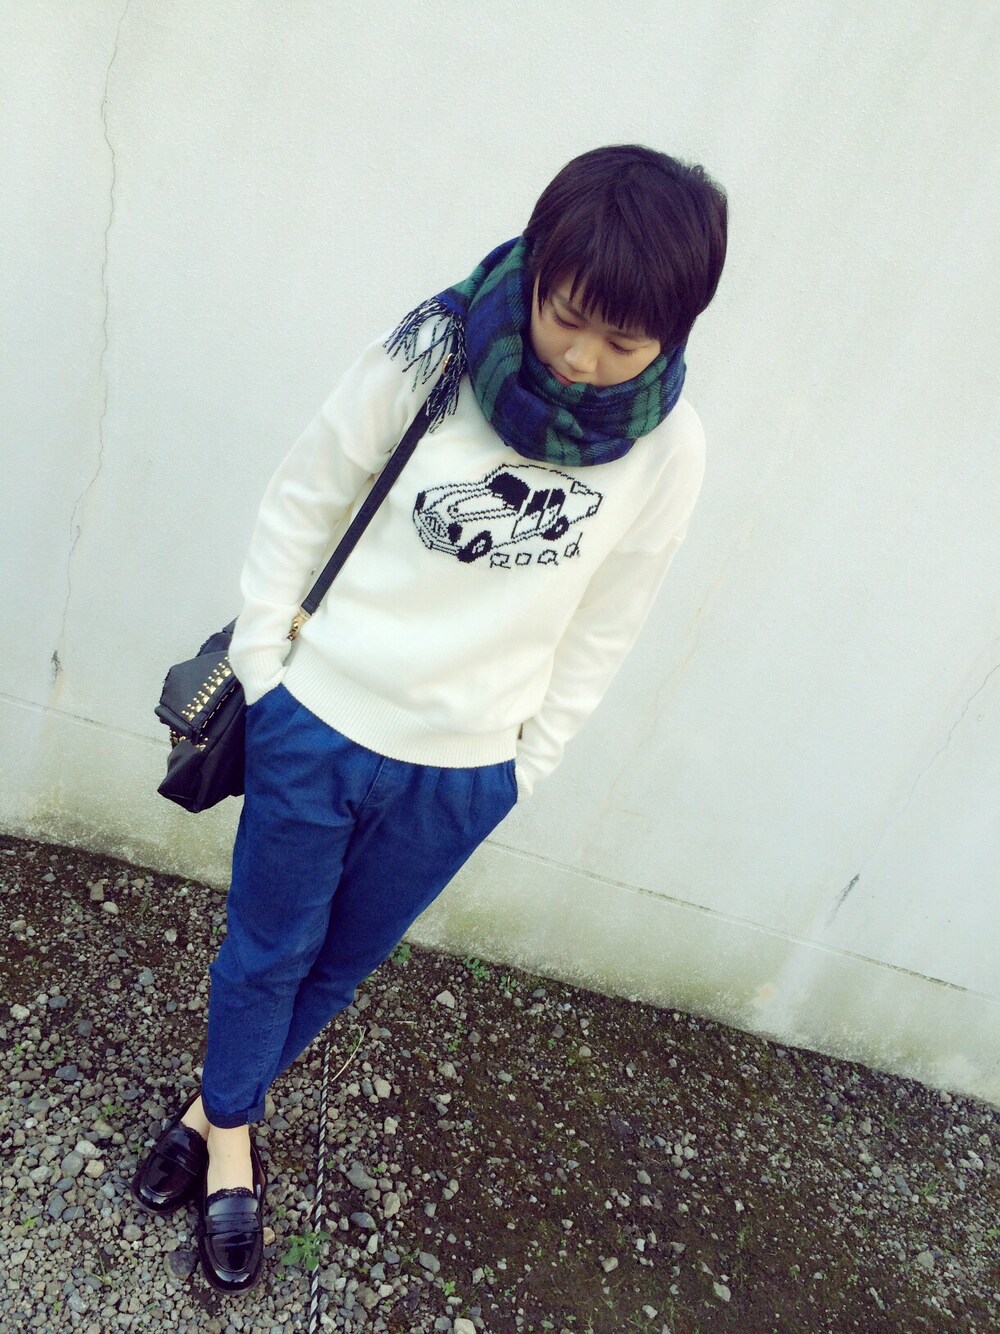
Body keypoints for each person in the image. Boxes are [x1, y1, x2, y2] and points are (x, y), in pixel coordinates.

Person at [131, 143, 727, 1292]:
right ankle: (232, 1143)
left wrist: (526, 763)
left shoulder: (670, 449)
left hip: (463, 769)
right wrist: (267, 674)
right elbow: (305, 495)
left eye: (622, 341)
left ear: (674, 330)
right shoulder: (435, 351)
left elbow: (610, 617)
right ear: (537, 270)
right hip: (320, 720)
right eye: (565, 317)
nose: (583, 358)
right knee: (266, 950)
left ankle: (208, 1110)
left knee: (338, 963)